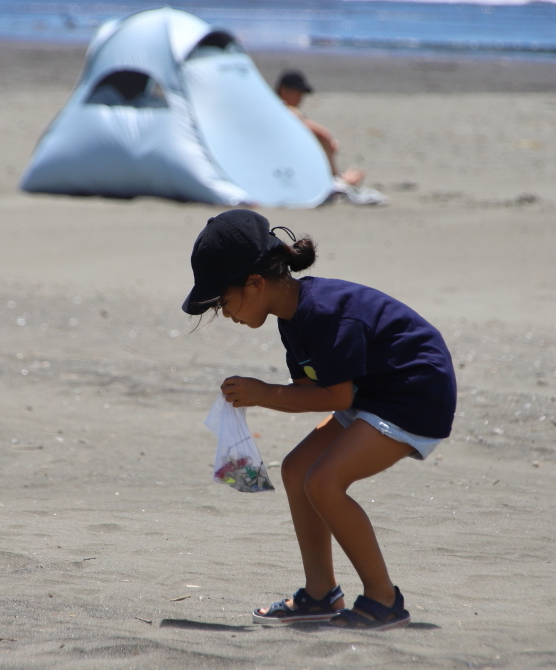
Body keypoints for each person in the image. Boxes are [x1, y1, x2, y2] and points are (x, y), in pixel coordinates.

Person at [182, 209, 457, 629]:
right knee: (297, 469)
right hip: (374, 394)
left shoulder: (325, 312)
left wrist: (262, 394)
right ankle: (319, 593)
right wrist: (260, 395)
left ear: (255, 284)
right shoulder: (292, 320)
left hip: (414, 394)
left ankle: (384, 599)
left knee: (324, 481)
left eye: (223, 299)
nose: (224, 312)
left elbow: (336, 395)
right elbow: (315, 390)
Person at [275, 70, 365, 187]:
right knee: (324, 142)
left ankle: (336, 180)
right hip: (285, 168)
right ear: (283, 89)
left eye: (302, 93)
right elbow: (323, 135)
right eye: (297, 92)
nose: (301, 97)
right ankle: (335, 181)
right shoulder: (284, 109)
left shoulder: (269, 107)